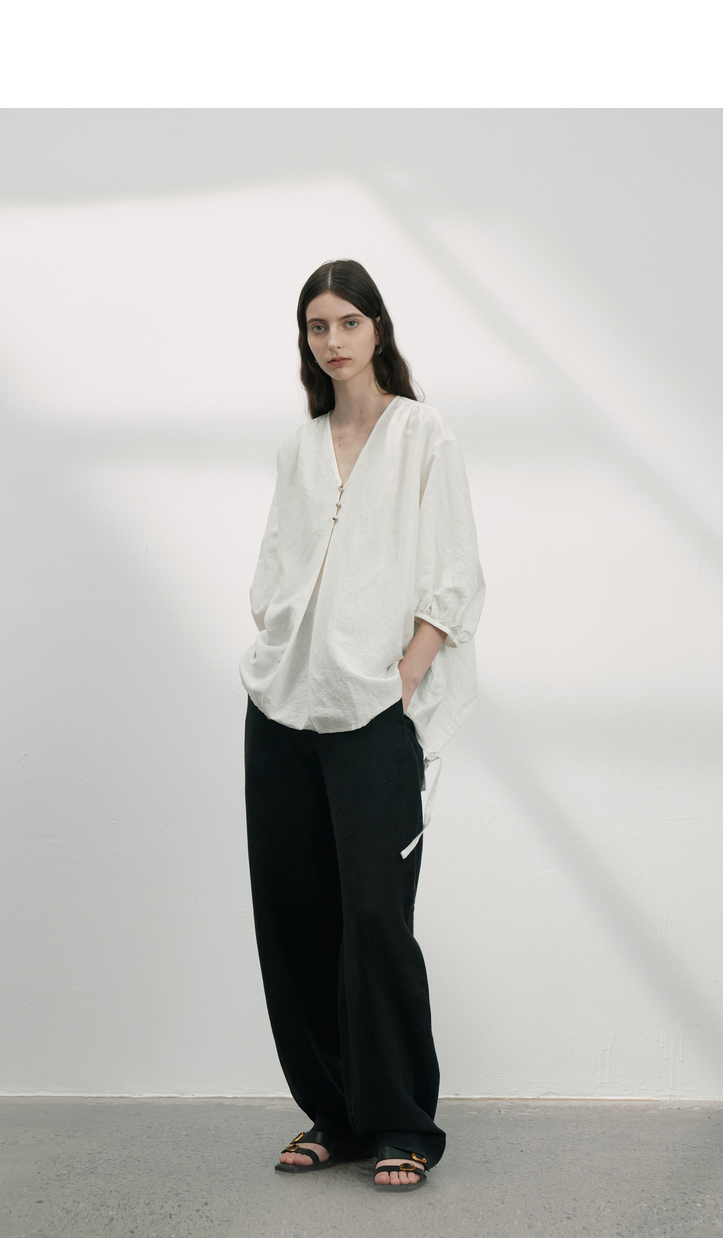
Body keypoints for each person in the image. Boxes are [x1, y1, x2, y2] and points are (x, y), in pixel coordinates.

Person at [239, 258, 485, 1191]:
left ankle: (402, 1123)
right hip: (281, 709)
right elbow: (273, 570)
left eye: (348, 321)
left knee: (377, 918)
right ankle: (334, 1116)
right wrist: (277, 644)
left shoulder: (423, 434)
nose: (334, 340)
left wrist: (406, 673)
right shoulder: (299, 447)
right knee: (295, 917)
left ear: (378, 328)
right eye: (317, 326)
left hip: (376, 710)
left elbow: (453, 572)